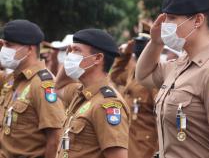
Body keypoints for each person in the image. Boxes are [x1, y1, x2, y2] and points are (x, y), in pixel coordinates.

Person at [135, 0, 209, 158]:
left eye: (171, 18)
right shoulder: (180, 64)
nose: (164, 24)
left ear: (198, 20)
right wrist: (156, 43)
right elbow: (143, 76)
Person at [55, 29, 130, 158]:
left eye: (77, 51)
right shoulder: (80, 94)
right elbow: (58, 87)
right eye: (71, 51)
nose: (71, 56)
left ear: (97, 58)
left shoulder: (107, 104)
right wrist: (69, 60)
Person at [0, 19, 65, 158]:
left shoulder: (43, 84)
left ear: (29, 49)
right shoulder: (13, 78)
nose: (3, 49)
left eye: (8, 45)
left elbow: (55, 138)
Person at [110, 34, 158, 158]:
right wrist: (125, 55)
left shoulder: (154, 76)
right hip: (128, 138)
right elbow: (115, 75)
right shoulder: (133, 71)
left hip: (145, 144)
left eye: (141, 45)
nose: (138, 48)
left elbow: (160, 114)